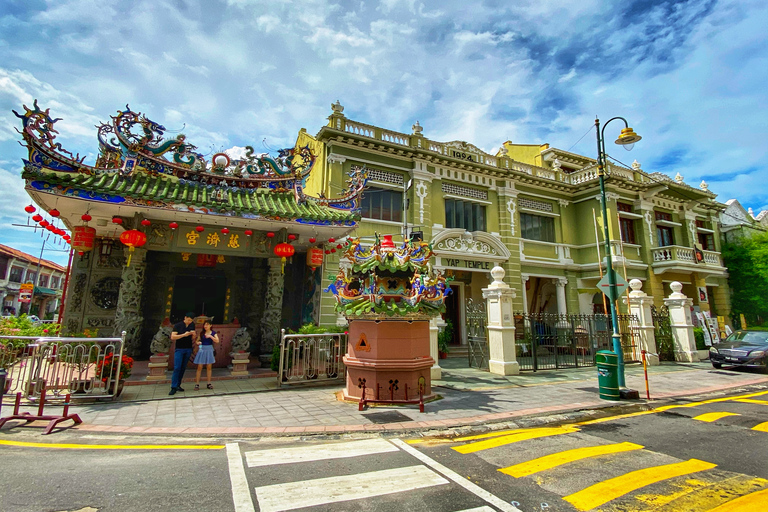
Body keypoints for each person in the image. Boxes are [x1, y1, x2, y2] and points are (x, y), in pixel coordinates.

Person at [169, 312, 197, 395]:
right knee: (177, 367)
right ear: (185, 318)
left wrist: (193, 334)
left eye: (191, 320)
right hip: (179, 349)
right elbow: (173, 337)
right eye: (188, 320)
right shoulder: (178, 325)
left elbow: (193, 337)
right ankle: (173, 387)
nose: (189, 322)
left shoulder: (192, 325)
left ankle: (178, 384)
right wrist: (184, 335)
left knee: (183, 367)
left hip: (188, 349)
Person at [194, 320, 219, 390]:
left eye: (207, 324)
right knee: (199, 367)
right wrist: (198, 342)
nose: (205, 326)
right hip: (202, 350)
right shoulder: (202, 333)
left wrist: (211, 337)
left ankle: (209, 383)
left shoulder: (213, 333)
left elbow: (217, 340)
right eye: (204, 325)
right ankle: (197, 384)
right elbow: (197, 341)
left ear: (210, 325)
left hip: (209, 349)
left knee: (209, 367)